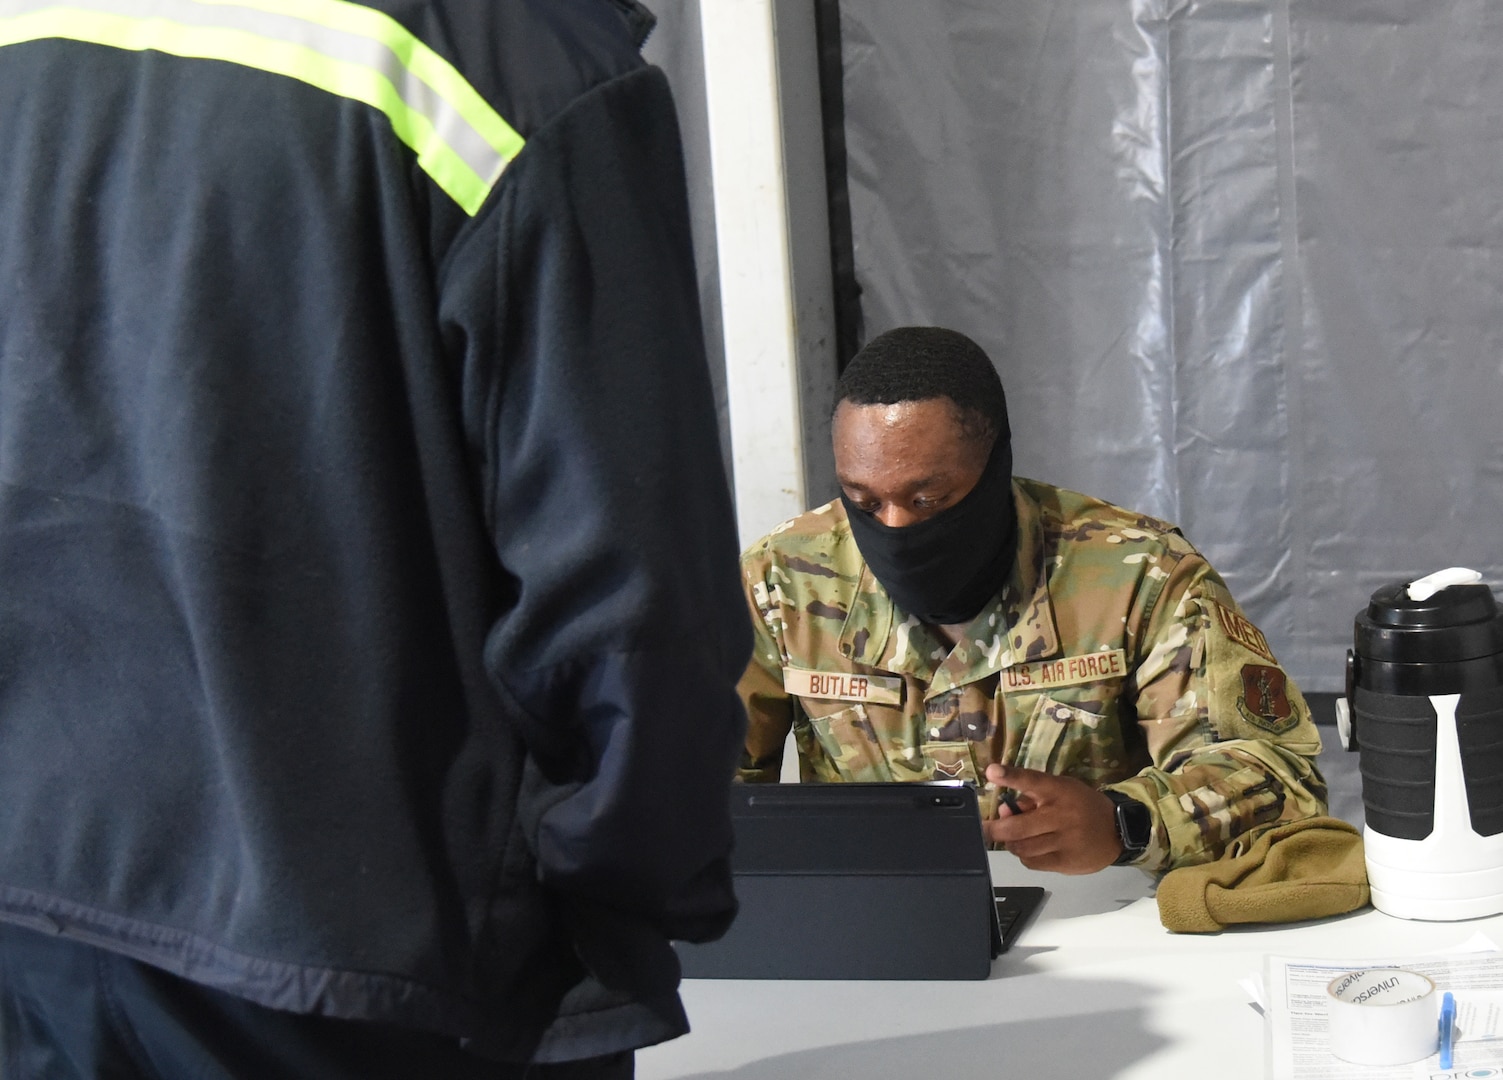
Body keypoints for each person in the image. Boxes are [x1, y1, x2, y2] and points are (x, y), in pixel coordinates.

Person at [0, 1, 749, 1076]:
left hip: (39, 925)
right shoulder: (516, 67)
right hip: (379, 966)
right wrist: (621, 900)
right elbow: (631, 608)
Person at [738, 326, 1327, 875]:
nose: (893, 527)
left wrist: (1127, 822)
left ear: (996, 466)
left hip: (1099, 935)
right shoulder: (782, 580)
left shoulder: (1137, 574)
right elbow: (690, 786)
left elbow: (1278, 771)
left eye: (926, 500)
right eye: (863, 501)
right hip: (872, 927)